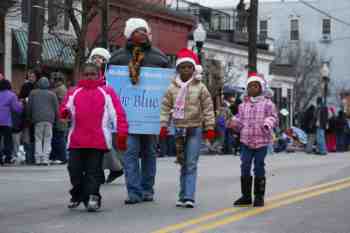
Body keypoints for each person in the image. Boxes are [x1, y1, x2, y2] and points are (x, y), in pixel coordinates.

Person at [109, 17, 170, 204]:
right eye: (138, 31)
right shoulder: (117, 58)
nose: (142, 34)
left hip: (150, 117)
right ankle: (133, 192)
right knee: (130, 153)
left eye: (145, 30)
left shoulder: (160, 58)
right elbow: (111, 88)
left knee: (149, 154)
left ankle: (147, 189)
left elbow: (167, 89)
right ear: (129, 34)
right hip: (128, 117)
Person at [60, 62, 128, 212]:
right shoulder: (74, 91)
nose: (90, 77)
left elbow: (117, 113)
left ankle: (93, 197)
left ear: (99, 75)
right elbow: (65, 108)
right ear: (82, 75)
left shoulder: (107, 92)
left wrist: (122, 133)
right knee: (74, 170)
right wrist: (64, 112)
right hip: (77, 140)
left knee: (93, 171)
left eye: (93, 74)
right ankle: (77, 194)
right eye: (86, 74)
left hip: (98, 140)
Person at [160, 48, 215, 208]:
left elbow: (208, 107)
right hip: (178, 129)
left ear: (193, 69)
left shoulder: (201, 87)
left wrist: (209, 127)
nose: (186, 70)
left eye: (189, 67)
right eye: (182, 67)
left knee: (191, 163)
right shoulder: (171, 88)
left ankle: (189, 196)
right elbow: (165, 107)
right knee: (183, 162)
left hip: (195, 128)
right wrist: (164, 125)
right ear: (178, 69)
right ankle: (182, 195)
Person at [227, 72, 278, 207]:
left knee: (259, 166)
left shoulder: (268, 104)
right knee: (245, 165)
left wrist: (268, 123)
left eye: (256, 86)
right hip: (246, 141)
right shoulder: (243, 105)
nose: (253, 88)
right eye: (250, 86)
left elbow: (273, 117)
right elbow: (240, 120)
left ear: (261, 88)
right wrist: (233, 123)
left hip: (261, 141)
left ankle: (259, 196)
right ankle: (246, 196)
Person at [89, 47, 124, 183]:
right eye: (95, 57)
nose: (97, 60)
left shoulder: (110, 76)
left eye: (101, 58)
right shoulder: (89, 73)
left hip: (107, 112)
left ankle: (113, 168)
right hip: (91, 111)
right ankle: (106, 170)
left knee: (103, 143)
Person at [27, 77, 59, 165]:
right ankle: (45, 158)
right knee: (47, 139)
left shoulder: (33, 93)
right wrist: (57, 118)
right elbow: (56, 108)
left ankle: (38, 159)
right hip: (49, 119)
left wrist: (29, 117)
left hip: (37, 119)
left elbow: (29, 107)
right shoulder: (52, 94)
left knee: (38, 139)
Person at [0, 79, 23, 165]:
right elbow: (17, 109)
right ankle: (7, 158)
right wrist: (21, 105)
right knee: (7, 141)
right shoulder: (12, 95)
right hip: (6, 122)